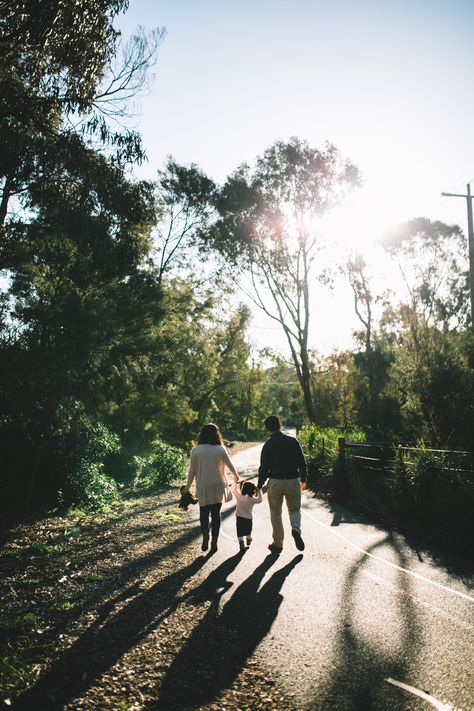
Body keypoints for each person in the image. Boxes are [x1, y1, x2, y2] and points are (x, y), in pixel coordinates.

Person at [184, 423, 238, 553]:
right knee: (216, 514)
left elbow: (192, 470)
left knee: (204, 513)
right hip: (218, 486)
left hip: (203, 485)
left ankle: (205, 536)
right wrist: (236, 476)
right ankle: (214, 541)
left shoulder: (195, 450)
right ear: (216, 434)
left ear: (202, 434)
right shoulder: (220, 449)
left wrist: (187, 487)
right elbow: (230, 465)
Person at [257, 415, 308, 554]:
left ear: (267, 428)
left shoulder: (268, 445)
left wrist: (259, 484)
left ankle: (278, 543)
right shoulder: (293, 441)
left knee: (275, 513)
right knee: (295, 509)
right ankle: (296, 528)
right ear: (280, 425)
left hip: (275, 482)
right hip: (293, 481)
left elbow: (264, 468)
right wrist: (304, 480)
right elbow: (302, 462)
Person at [232, 480, 263, 551]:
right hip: (248, 519)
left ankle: (241, 541)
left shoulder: (239, 497)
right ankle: (248, 539)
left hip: (239, 518)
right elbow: (260, 500)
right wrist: (259, 491)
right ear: (253, 491)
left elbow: (234, 491)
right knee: (248, 531)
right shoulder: (252, 499)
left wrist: (235, 483)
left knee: (239, 531)